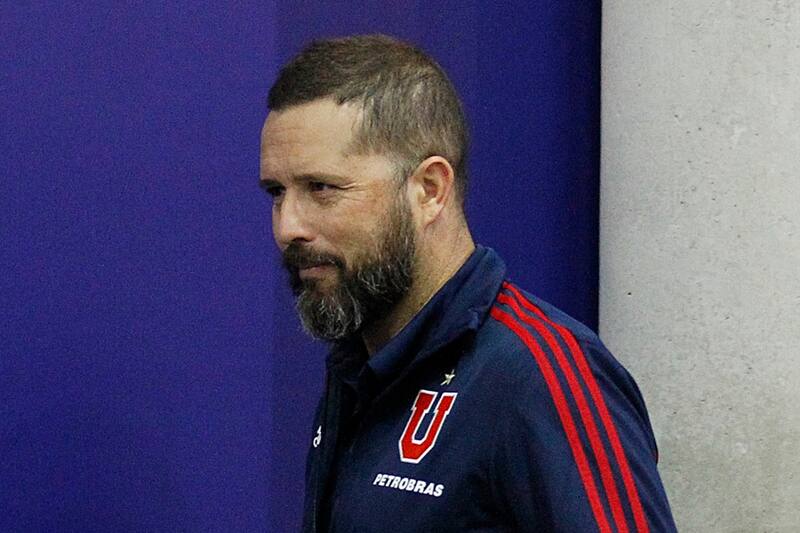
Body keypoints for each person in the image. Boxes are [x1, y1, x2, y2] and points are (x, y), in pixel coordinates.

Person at [260, 34, 677, 533]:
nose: (288, 227)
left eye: (321, 188)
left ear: (429, 190)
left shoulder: (538, 373)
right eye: (276, 193)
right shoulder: (358, 366)